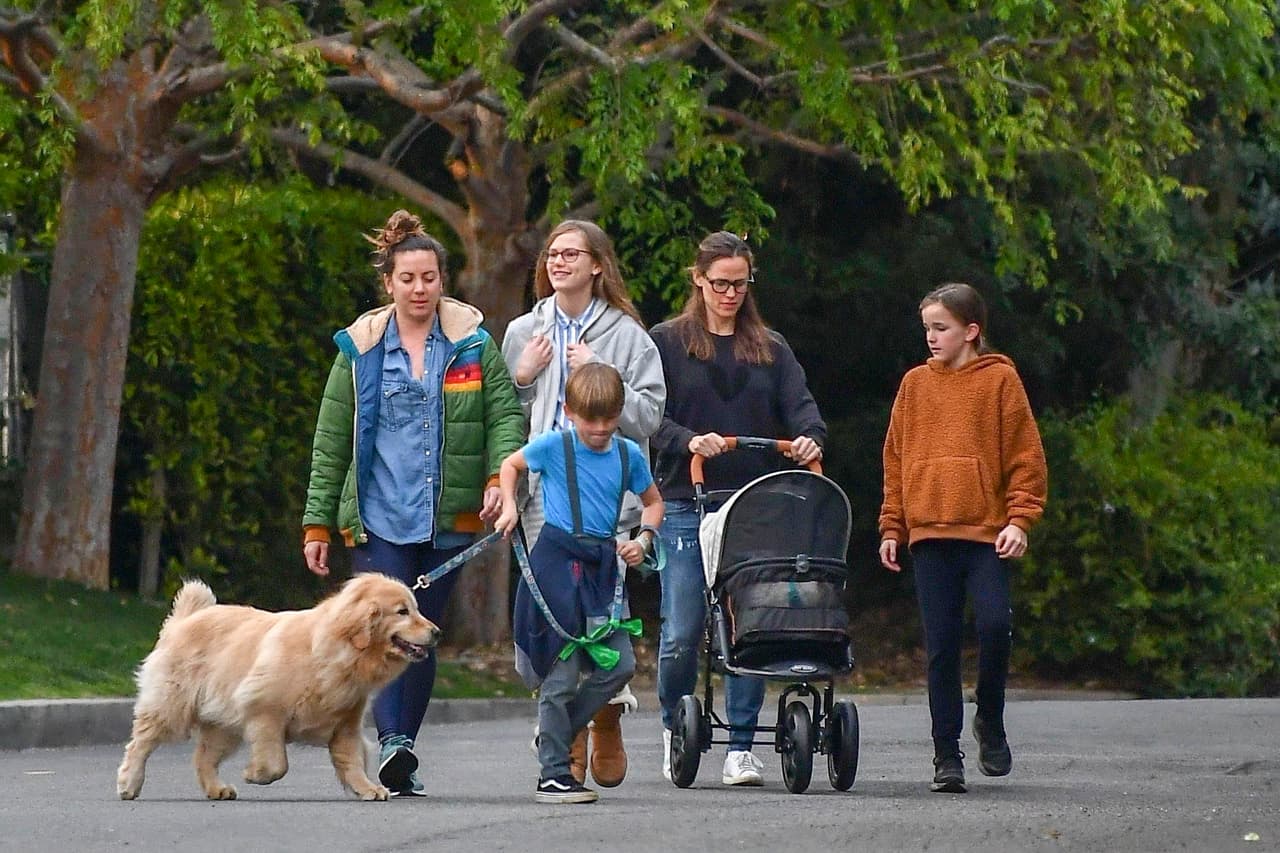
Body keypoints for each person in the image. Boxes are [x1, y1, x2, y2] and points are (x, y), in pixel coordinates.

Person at [301, 209, 525, 797]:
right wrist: (318, 523)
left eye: (429, 278)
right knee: (383, 634)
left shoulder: (473, 345)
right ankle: (394, 744)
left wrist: (499, 478)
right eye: (407, 279)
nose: (419, 289)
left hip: (447, 521)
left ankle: (401, 745)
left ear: (442, 280)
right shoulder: (359, 351)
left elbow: (504, 416)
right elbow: (331, 439)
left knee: (419, 635)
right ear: (389, 283)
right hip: (379, 519)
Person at [649, 230, 826, 786]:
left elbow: (803, 411)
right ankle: (675, 726)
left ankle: (742, 745)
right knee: (683, 628)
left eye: (740, 284)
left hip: (755, 502)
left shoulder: (770, 348)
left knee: (751, 622)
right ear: (698, 279)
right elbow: (649, 416)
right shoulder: (667, 342)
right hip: (687, 497)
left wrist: (809, 439)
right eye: (720, 283)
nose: (729, 294)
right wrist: (688, 440)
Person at [501, 220, 665, 787]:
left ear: (598, 264)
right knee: (557, 624)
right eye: (552, 253)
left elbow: (650, 416)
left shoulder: (628, 335)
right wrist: (522, 379)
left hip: (609, 504)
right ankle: (563, 742)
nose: (558, 261)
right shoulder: (524, 330)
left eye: (572, 254)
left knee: (604, 623)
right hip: (542, 500)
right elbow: (504, 416)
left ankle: (605, 717)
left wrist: (603, 370)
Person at [878, 282, 1048, 794]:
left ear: (971, 331)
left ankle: (989, 718)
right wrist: (892, 525)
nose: (931, 337)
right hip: (929, 533)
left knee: (995, 625)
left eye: (941, 328)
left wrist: (1019, 520)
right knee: (942, 647)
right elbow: (895, 459)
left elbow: (1025, 457)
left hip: (985, 533)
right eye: (927, 328)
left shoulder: (999, 381)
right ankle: (946, 755)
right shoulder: (914, 385)